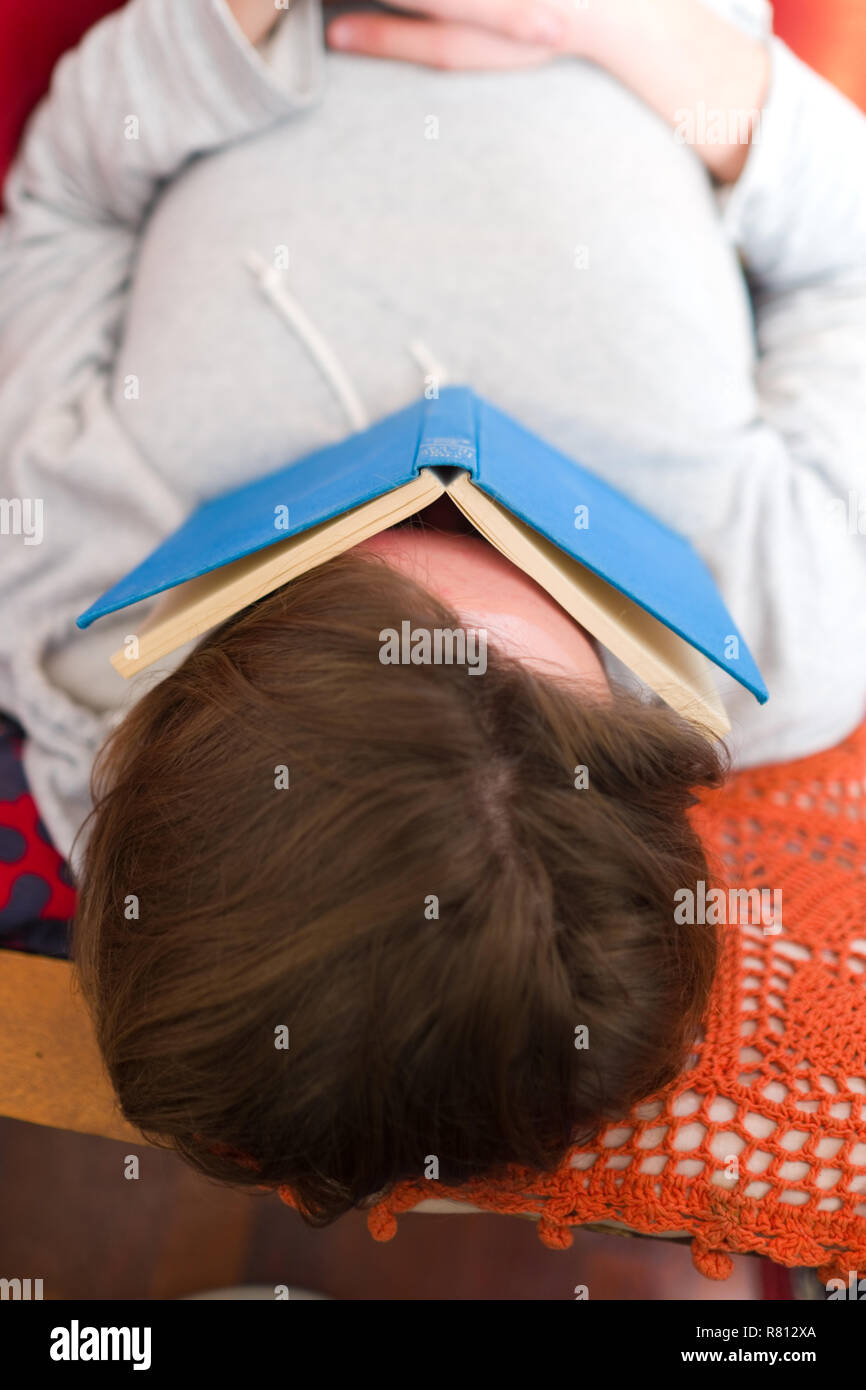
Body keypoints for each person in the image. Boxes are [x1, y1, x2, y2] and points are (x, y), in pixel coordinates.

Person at [1, 0, 864, 1219]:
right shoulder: (786, 619)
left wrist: (229, 27)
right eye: (512, 607)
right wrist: (640, 44)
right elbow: (847, 255)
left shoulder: (68, 606)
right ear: (642, 762)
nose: (434, 504)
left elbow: (66, 205)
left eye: (327, 584)